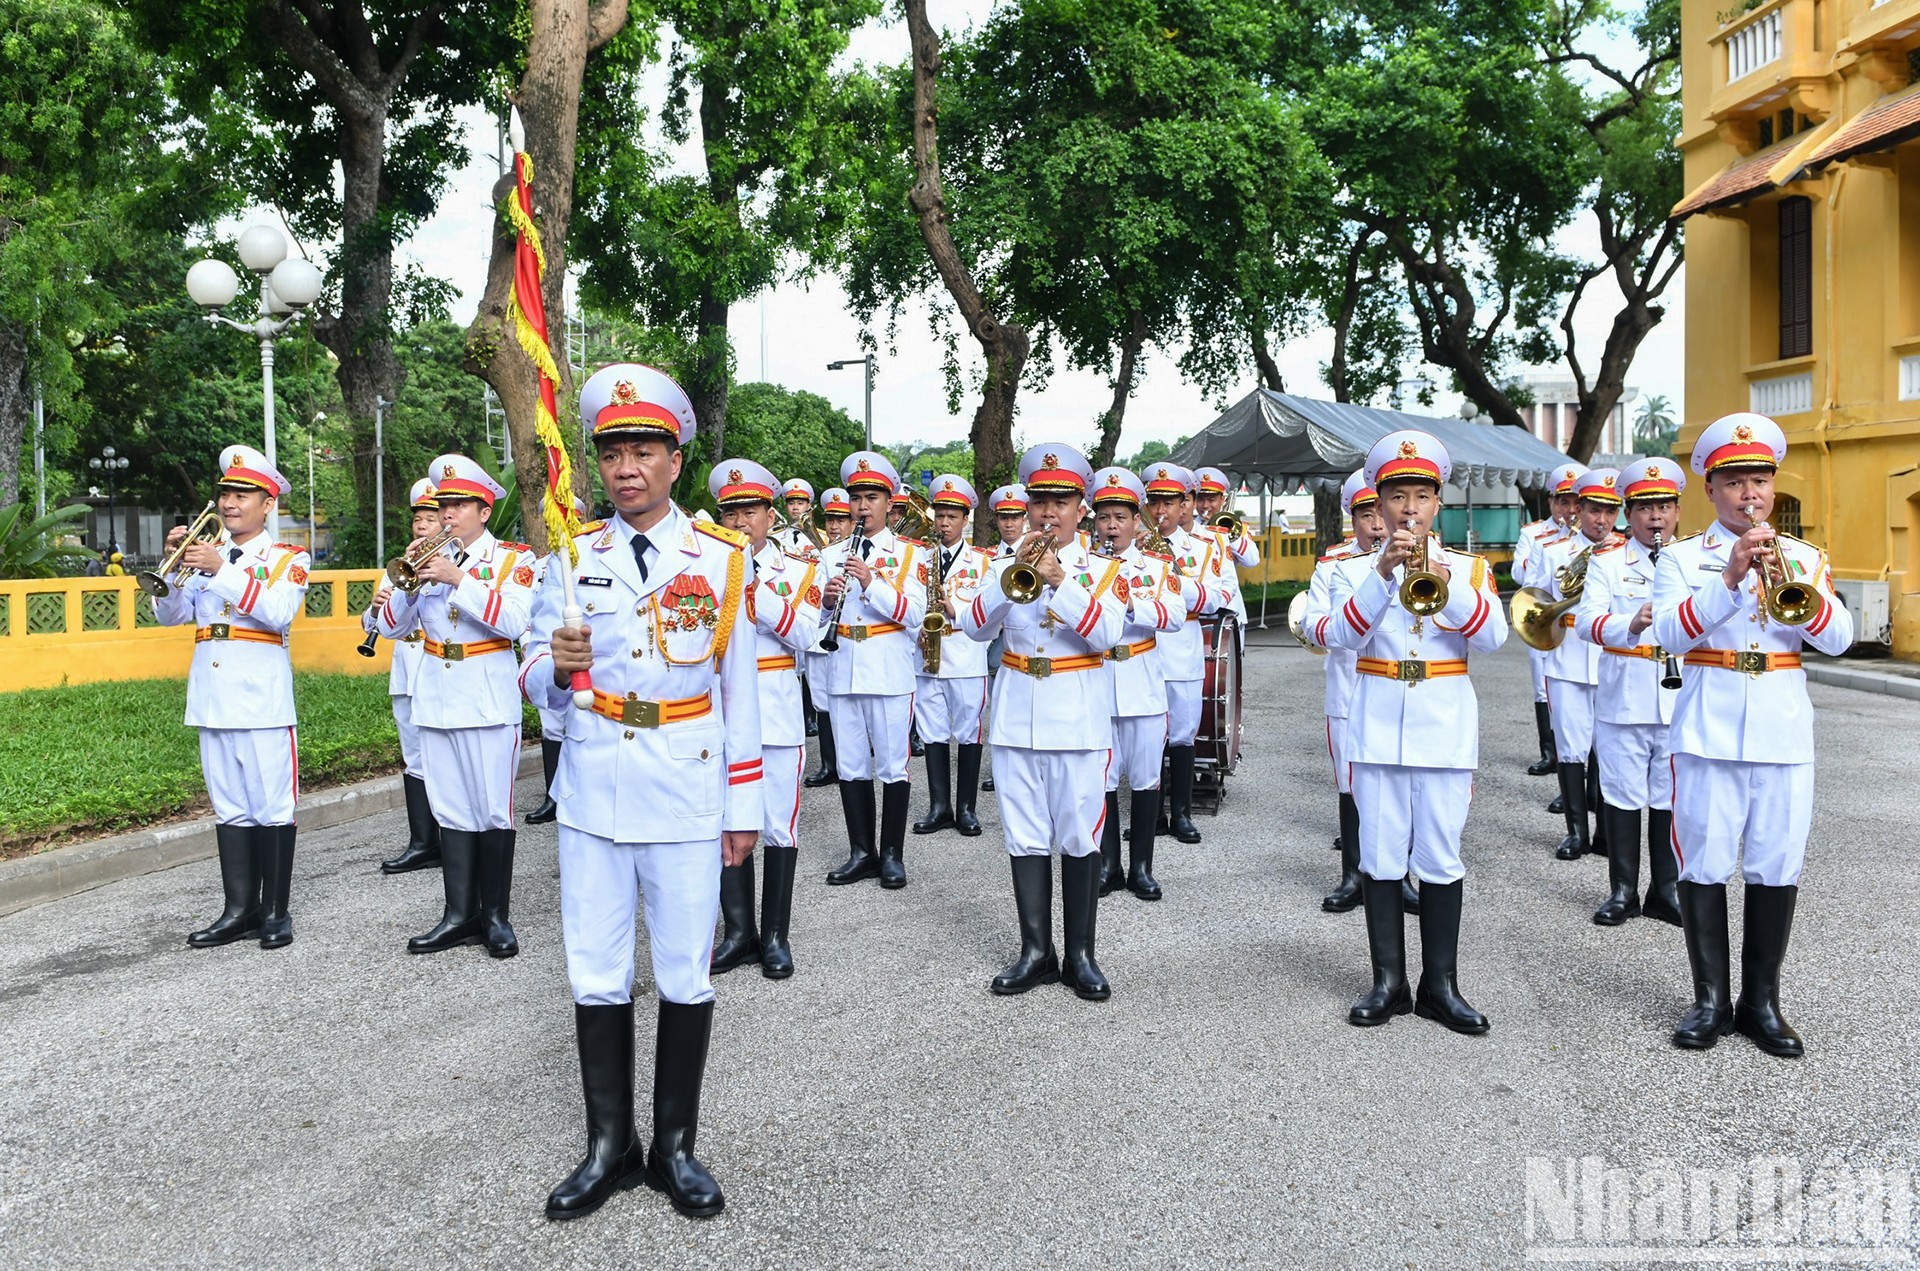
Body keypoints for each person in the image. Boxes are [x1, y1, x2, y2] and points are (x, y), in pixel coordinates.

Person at [523, 363, 762, 1220]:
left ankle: (676, 1147)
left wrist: (745, 809)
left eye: (644, 450)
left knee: (687, 971)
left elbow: (743, 691)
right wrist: (554, 668)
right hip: (592, 780)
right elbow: (533, 670)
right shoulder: (568, 555)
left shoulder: (722, 560)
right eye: (613, 450)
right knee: (595, 967)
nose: (626, 466)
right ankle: (608, 1144)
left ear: (675, 461)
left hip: (687, 783)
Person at [1650, 412, 1852, 1059]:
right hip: (1707, 734)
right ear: (1710, 490)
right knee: (1704, 864)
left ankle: (1761, 1003)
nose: (1749, 493)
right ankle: (1709, 999)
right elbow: (1670, 636)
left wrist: (1802, 592)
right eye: (1735, 481)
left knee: (1775, 864)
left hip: (1783, 735)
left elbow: (1840, 639)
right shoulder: (1684, 560)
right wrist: (1731, 579)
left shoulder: (1806, 559)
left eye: (1759, 480)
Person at [1322, 430, 1508, 1034]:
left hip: (1444, 729)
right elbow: (1342, 637)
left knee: (1439, 856)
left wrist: (1442, 588)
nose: (1408, 508)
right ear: (1377, 505)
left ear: (1436, 505)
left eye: (1420, 496)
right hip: (1376, 726)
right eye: (1396, 496)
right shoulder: (1352, 570)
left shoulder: (1471, 567)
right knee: (1379, 856)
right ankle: (1388, 982)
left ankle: (1441, 985)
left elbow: (1492, 638)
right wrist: (1383, 574)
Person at [958, 444, 1128, 999]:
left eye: (1061, 501)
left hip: (1077, 717)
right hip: (1015, 715)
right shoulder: (1000, 564)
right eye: (1040, 501)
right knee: (1025, 835)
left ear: (1083, 508)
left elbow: (1107, 635)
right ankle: (1037, 951)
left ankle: (1080, 954)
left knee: (1080, 835)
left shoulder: (1104, 569)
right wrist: (1013, 572)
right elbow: (974, 627)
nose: (1048, 512)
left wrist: (1058, 579)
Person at [375, 454, 535, 959]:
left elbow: (514, 622)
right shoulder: (425, 557)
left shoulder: (514, 560)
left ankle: (496, 917)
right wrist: (408, 581)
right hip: (435, 696)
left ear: (484, 510)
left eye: (460, 504)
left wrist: (458, 580)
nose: (448, 514)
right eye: (444, 504)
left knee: (490, 810)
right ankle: (457, 915)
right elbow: (390, 628)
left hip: (486, 696)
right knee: (451, 811)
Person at [154, 444, 309, 950]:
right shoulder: (203, 553)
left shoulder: (289, 558)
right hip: (212, 698)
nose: (229, 502)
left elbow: (279, 611)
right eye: (224, 492)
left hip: (261, 702)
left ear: (268, 504)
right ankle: (238, 910)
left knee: (272, 807)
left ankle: (276, 913)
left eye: (242, 494)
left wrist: (220, 567)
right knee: (231, 808)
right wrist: (171, 568)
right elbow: (171, 617)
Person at [707, 459, 821, 979]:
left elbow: (803, 634)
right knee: (724, 823)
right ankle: (737, 932)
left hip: (774, 716)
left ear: (770, 517)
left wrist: (751, 584)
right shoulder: (702, 569)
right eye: (730, 512)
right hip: (720, 716)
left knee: (778, 826)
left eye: (750, 511)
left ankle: (774, 935)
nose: (739, 522)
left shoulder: (797, 571)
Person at [1575, 457, 1686, 927]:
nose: (1655, 517)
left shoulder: (1693, 560)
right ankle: (1623, 891)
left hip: (1679, 697)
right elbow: (1584, 622)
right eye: (1644, 508)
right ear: (1628, 513)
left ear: (1677, 511)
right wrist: (1629, 624)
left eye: (1663, 506)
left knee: (1668, 795)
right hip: (1625, 693)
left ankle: (1665, 889)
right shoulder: (1607, 561)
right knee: (1620, 794)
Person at [1303, 470, 1418, 916]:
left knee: (1400, 783)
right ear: (1353, 517)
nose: (1376, 524)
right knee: (1351, 785)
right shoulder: (1332, 565)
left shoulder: (1421, 558)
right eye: (1366, 514)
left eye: (1380, 513)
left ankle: (1401, 875)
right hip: (1350, 692)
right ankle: (1354, 875)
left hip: (1398, 693)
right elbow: (1319, 628)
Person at [817, 451, 928, 889]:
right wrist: (826, 602)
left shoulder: (909, 555)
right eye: (857, 498)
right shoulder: (830, 556)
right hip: (842, 665)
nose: (863, 506)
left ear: (889, 502)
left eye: (872, 498)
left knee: (892, 765)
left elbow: (916, 613)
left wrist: (870, 582)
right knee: (850, 764)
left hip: (887, 668)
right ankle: (860, 851)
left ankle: (892, 854)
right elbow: (815, 619)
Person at [1089, 467, 1191, 901]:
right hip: (1096, 679)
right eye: (1104, 517)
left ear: (1136, 520)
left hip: (1142, 679)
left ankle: (1142, 866)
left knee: (1147, 777)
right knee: (1103, 777)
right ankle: (1109, 864)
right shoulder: (1084, 566)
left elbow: (1176, 615)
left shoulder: (1157, 564)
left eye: (1120, 517)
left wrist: (1132, 604)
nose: (1112, 525)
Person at [1141, 463, 1233, 843]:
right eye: (1154, 502)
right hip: (1141, 648)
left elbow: (1222, 594)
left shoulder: (1205, 546)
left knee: (1181, 735)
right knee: (1146, 734)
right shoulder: (1134, 547)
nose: (1160, 510)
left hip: (1182, 647)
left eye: (1169, 502)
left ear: (1185, 505)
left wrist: (1179, 584)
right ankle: (1150, 816)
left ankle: (1179, 813)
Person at [1539, 468, 1623, 861]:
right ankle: (1577, 832)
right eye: (1593, 510)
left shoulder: (1626, 552)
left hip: (1613, 659)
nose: (1601, 519)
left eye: (1609, 511)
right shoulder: (1555, 552)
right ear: (1579, 511)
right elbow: (1536, 601)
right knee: (1571, 748)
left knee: (1609, 748)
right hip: (1569, 657)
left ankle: (1607, 831)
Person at [363, 478, 445, 872]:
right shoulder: (399, 565)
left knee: (444, 758)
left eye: (430, 518)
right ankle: (423, 842)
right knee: (413, 757)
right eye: (418, 519)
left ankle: (453, 838)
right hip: (406, 668)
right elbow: (371, 621)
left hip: (438, 664)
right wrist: (377, 606)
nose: (422, 526)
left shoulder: (453, 565)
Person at [911, 473, 993, 837]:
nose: (944, 523)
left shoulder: (984, 562)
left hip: (964, 655)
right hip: (926, 656)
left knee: (969, 731)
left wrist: (954, 605)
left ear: (965, 520)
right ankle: (939, 806)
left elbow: (988, 606)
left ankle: (966, 808)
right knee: (932, 731)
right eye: (940, 515)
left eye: (952, 517)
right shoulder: (917, 558)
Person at [528, 493, 595, 826]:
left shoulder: (590, 557)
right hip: (551, 656)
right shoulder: (542, 566)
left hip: (586, 659)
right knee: (551, 726)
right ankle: (552, 795)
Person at [1514, 465, 1583, 777]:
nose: (1569, 510)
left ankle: (1579, 758)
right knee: (1544, 688)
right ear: (1552, 502)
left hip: (1582, 627)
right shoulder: (1534, 534)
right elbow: (1520, 575)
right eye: (1562, 502)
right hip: (1546, 621)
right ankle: (1550, 752)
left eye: (1576, 502)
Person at [980, 483, 1028, 793]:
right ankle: (1003, 769)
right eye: (1003, 518)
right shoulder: (989, 559)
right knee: (1000, 705)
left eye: (1015, 517)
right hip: (995, 638)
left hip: (1023, 640)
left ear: (1024, 518)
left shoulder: (1039, 551)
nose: (1009, 524)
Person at [803, 487, 852, 789]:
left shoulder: (858, 553)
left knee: (844, 702)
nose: (834, 526)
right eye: (830, 519)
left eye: (841, 519)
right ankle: (828, 763)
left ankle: (847, 762)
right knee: (821, 701)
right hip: (818, 636)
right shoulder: (817, 553)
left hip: (846, 638)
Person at [1194, 465, 1260, 645]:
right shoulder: (1187, 528)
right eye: (1200, 499)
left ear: (1223, 499)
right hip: (1198, 608)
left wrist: (1229, 535)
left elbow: (1252, 560)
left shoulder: (1237, 528)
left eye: (1212, 499)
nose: (1205, 506)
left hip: (1230, 608)